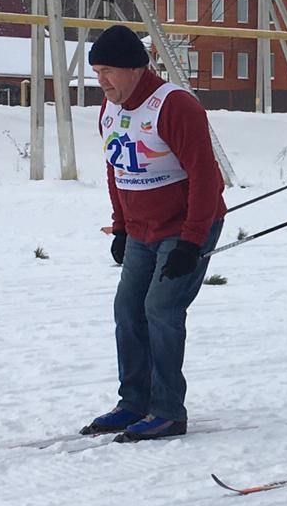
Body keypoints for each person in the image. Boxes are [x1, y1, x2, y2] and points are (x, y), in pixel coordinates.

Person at [80, 24, 226, 442]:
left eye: (108, 71)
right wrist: (122, 228)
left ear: (135, 69)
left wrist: (191, 241)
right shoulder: (109, 108)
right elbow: (117, 169)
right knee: (128, 310)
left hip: (184, 228)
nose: (102, 81)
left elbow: (205, 179)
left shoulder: (176, 106)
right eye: (96, 72)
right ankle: (133, 402)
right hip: (142, 229)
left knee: (161, 310)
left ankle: (167, 411)